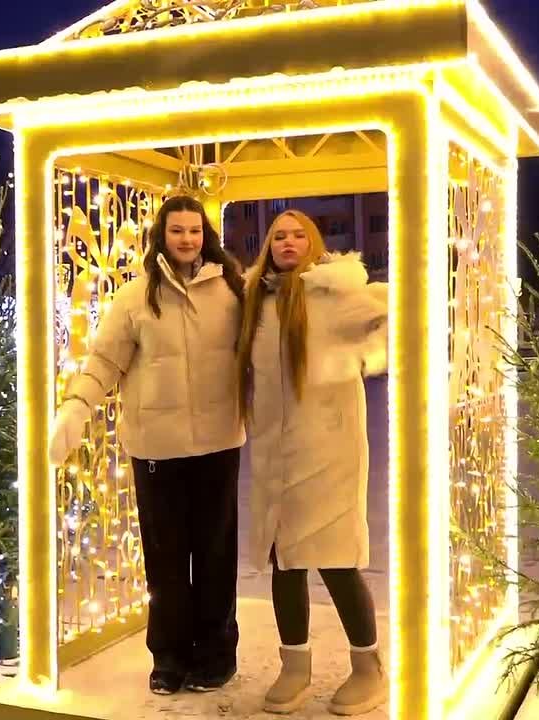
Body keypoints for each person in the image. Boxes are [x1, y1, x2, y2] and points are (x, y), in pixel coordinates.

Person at [48, 194, 245, 695]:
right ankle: (169, 658)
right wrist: (77, 405)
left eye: (195, 230)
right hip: (157, 449)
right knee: (165, 559)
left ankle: (216, 655)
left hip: (219, 444)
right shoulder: (135, 297)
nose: (187, 239)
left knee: (216, 555)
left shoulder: (232, 290)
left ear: (206, 235)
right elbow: (104, 361)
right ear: (162, 235)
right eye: (177, 230)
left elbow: (264, 349)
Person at [236, 209, 389, 715]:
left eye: (299, 234)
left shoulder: (333, 294)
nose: (288, 242)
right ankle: (294, 665)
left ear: (314, 242)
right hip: (275, 453)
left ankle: (368, 667)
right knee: (285, 561)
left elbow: (390, 318)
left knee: (337, 559)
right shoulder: (256, 301)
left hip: (330, 451)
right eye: (279, 235)